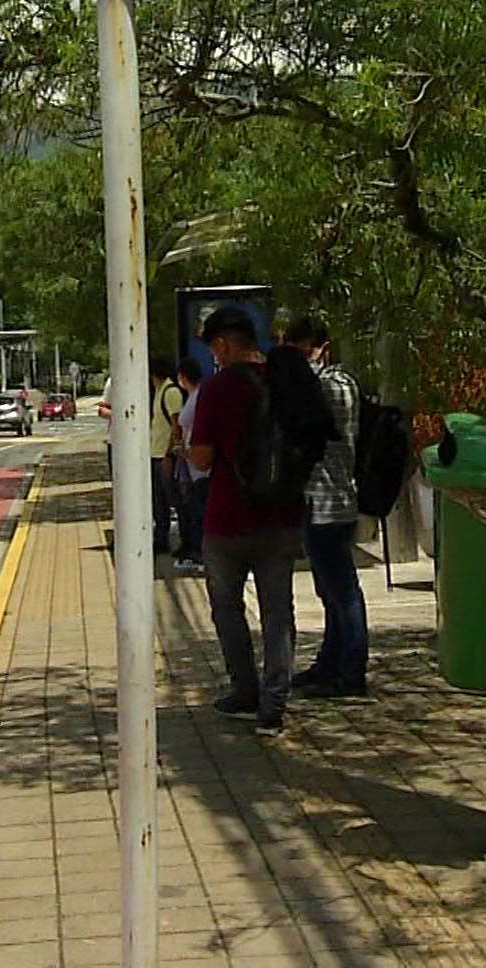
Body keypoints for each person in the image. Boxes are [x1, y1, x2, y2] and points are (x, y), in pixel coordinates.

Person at [187, 307, 334, 735]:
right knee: (278, 610)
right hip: (282, 516)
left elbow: (201, 458)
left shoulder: (216, 389)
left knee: (226, 608)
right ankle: (274, 704)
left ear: (222, 345)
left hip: (227, 520)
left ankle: (244, 691)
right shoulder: (285, 380)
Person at [284, 316, 370, 698]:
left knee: (343, 591)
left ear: (323, 348)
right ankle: (331, 663)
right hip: (327, 501)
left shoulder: (330, 386)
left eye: (306, 350)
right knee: (331, 592)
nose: (303, 358)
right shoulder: (335, 382)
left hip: (328, 501)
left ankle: (351, 672)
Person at [172, 356, 207, 573]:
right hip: (191, 464)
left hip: (199, 466)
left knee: (199, 510)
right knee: (193, 507)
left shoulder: (198, 397)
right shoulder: (193, 396)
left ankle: (199, 552)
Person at [148, 357, 184, 556]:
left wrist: (171, 454)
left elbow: (176, 425)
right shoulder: (161, 391)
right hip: (157, 454)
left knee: (171, 500)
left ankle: (175, 540)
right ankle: (160, 539)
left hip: (165, 456)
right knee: (159, 501)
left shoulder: (170, 392)